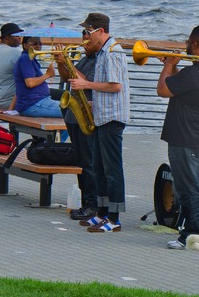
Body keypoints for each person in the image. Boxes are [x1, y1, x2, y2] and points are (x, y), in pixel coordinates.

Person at [157, 25, 199, 250]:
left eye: (187, 42)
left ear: (195, 44)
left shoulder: (192, 74)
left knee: (189, 188)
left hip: (185, 140)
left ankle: (191, 235)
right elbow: (180, 87)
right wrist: (171, 70)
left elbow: (163, 90)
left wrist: (168, 65)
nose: (185, 45)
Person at [69, 13, 130, 232]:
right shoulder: (103, 51)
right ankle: (102, 213)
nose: (85, 36)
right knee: (99, 167)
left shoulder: (113, 52)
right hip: (101, 115)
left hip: (112, 117)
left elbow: (115, 86)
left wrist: (86, 84)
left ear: (100, 31)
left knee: (112, 169)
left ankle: (114, 219)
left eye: (88, 32)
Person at [54, 33, 97, 221]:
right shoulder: (85, 58)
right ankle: (86, 202)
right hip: (73, 115)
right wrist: (62, 63)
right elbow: (67, 78)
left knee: (88, 162)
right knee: (81, 163)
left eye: (87, 37)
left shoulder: (100, 60)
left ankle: (92, 204)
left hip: (86, 115)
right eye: (83, 37)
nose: (84, 42)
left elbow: (87, 83)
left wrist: (68, 62)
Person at [13, 36, 63, 118]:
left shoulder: (30, 59)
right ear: (25, 45)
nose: (38, 46)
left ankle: (64, 131)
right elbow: (30, 83)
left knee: (72, 110)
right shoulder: (25, 59)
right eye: (35, 44)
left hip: (38, 102)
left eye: (40, 43)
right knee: (72, 111)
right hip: (33, 104)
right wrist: (47, 75)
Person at [0, 22, 23, 111]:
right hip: (10, 102)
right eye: (16, 35)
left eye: (20, 35)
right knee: (56, 100)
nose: (20, 38)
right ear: (7, 37)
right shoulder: (15, 52)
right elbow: (31, 77)